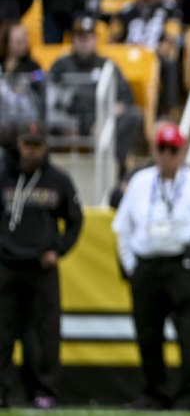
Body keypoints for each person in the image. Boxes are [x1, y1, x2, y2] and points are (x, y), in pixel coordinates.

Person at [111, 122, 190, 411]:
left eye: (173, 150)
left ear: (183, 151)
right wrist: (131, 265)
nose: (168, 156)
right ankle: (154, 393)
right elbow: (122, 227)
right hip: (147, 266)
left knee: (189, 335)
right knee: (148, 334)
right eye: (162, 149)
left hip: (181, 265)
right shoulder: (140, 181)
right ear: (154, 150)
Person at [0, 122, 82, 410]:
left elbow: (75, 221)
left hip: (41, 267)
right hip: (6, 266)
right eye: (27, 144)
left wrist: (58, 250)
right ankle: (3, 393)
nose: (32, 151)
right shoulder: (3, 176)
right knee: (3, 331)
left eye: (38, 145)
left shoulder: (58, 180)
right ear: (18, 144)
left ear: (46, 146)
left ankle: (45, 391)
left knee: (46, 333)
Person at [47, 16, 145, 175]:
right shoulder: (61, 65)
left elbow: (126, 99)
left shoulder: (108, 65)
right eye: (80, 37)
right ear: (73, 39)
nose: (84, 41)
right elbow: (49, 97)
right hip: (70, 121)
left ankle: (115, 167)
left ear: (95, 39)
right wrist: (64, 123)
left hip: (101, 121)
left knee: (134, 116)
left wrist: (105, 118)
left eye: (88, 37)